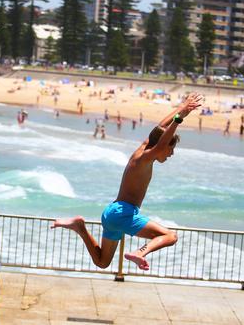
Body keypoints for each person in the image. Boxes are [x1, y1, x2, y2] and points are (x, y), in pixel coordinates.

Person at [51, 93, 203, 271]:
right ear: (161, 146)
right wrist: (179, 117)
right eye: (170, 149)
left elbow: (160, 127)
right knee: (171, 236)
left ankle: (79, 227)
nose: (171, 154)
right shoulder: (145, 158)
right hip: (123, 213)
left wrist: (182, 109)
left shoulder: (143, 149)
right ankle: (140, 253)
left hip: (112, 213)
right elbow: (161, 144)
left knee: (102, 262)